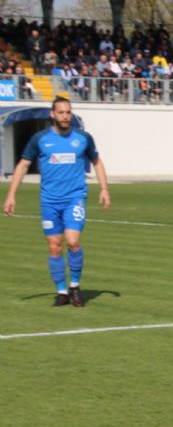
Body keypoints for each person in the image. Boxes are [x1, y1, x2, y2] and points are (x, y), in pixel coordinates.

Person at [3, 97, 110, 307]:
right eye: (61, 112)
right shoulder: (40, 139)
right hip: (49, 201)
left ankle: (75, 287)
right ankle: (61, 292)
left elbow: (96, 161)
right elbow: (23, 165)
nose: (65, 116)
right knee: (54, 247)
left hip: (75, 198)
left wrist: (104, 188)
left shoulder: (83, 138)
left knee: (72, 241)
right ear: (53, 114)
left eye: (68, 112)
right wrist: (11, 194)